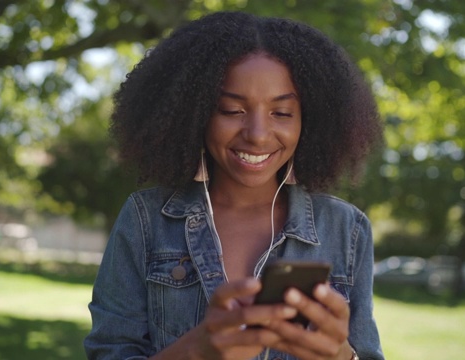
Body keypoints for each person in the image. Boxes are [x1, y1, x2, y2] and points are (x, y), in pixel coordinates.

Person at [84, 11, 384, 360]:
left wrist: (341, 356)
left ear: (310, 120)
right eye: (231, 110)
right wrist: (196, 351)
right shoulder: (146, 219)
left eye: (282, 113)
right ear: (195, 113)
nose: (257, 135)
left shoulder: (347, 229)